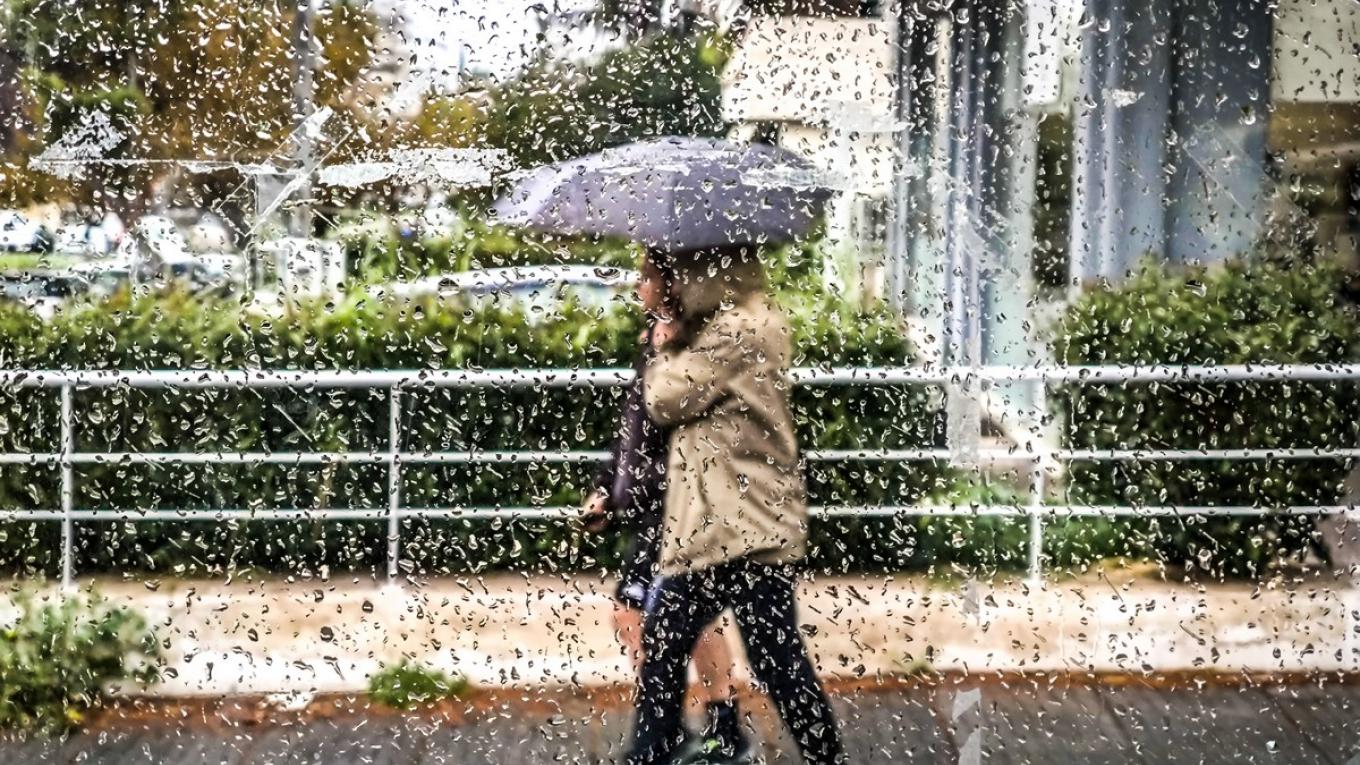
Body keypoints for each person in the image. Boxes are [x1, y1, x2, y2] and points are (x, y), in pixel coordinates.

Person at [625, 246, 844, 765]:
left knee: (680, 645)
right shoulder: (749, 322)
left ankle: (650, 754)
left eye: (683, 273)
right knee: (769, 658)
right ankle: (823, 756)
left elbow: (665, 399)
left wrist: (664, 345)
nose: (676, 283)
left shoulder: (734, 331)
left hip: (730, 527)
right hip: (738, 522)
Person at [582, 251, 752, 763]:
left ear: (672, 283)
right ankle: (697, 729)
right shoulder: (653, 340)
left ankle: (681, 732)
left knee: (648, 613)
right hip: (652, 508)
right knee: (671, 616)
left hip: (683, 506)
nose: (639, 285)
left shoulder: (696, 345)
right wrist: (606, 487)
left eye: (647, 276)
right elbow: (632, 430)